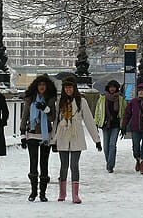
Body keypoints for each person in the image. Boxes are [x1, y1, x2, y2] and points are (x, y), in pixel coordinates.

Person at [50, 76, 101, 204]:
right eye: (66, 87)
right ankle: (62, 192)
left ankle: (75, 194)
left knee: (74, 165)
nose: (68, 90)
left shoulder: (81, 101)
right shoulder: (60, 102)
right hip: (62, 135)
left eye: (70, 87)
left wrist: (96, 139)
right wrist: (53, 140)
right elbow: (56, 121)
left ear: (74, 88)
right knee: (63, 166)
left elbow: (89, 120)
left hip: (76, 135)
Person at [20, 74, 57, 201]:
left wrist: (46, 109)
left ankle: (43, 193)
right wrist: (22, 134)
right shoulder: (30, 99)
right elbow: (24, 116)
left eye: (44, 85)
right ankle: (33, 191)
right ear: (36, 87)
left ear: (47, 87)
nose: (41, 87)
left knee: (44, 163)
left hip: (46, 135)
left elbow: (52, 118)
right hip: (32, 133)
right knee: (33, 163)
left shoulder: (51, 100)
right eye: (40, 85)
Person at [94, 79, 126, 173]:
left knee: (112, 144)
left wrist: (123, 125)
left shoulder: (121, 99)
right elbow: (98, 110)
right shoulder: (102, 98)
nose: (112, 89)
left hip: (115, 124)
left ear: (116, 88)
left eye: (114, 87)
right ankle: (109, 161)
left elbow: (123, 112)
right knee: (106, 146)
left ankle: (110, 165)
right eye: (111, 87)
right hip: (105, 124)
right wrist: (96, 122)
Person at [122, 82, 143, 174]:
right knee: (135, 147)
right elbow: (127, 114)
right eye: (139, 91)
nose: (141, 92)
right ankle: (138, 159)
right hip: (135, 127)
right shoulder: (133, 102)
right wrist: (124, 125)